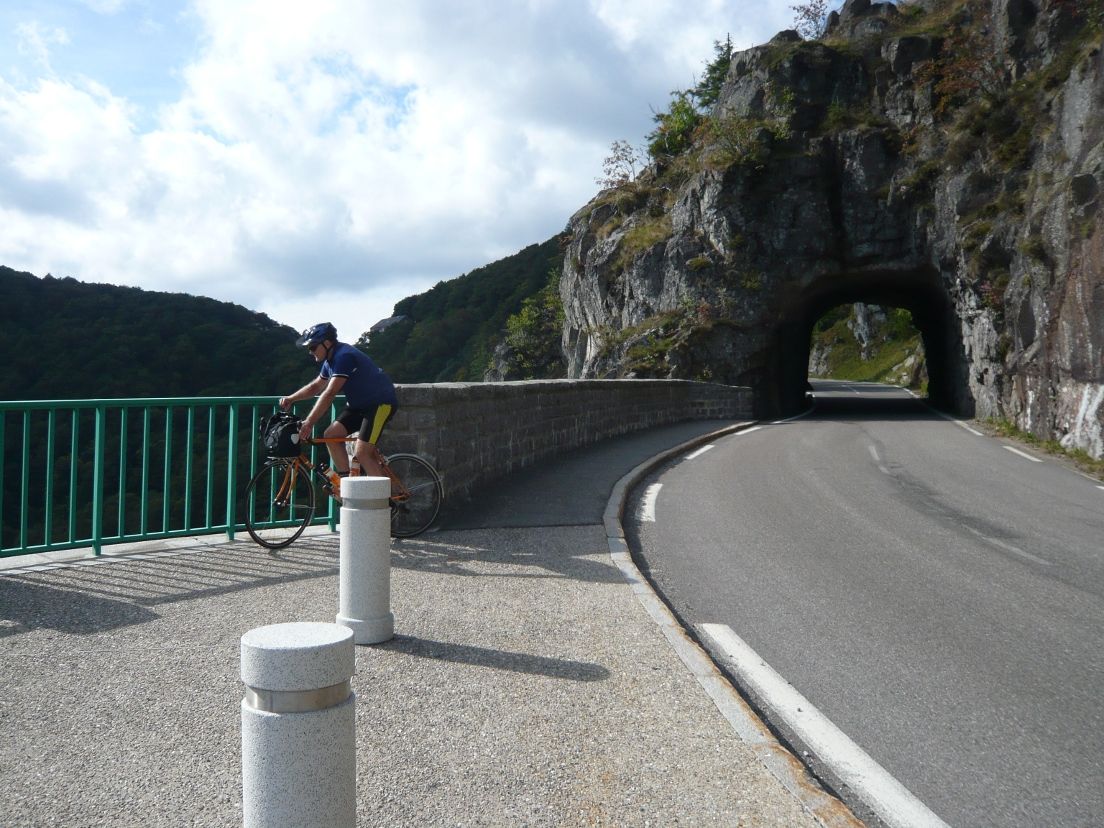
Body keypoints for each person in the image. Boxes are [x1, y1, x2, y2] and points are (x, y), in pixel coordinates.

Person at [279, 322, 398, 483]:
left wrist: (309, 423)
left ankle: (384, 502)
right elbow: (316, 386)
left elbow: (329, 393)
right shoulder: (329, 360)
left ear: (327, 343)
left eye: (313, 347)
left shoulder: (344, 357)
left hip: (380, 404)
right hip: (359, 405)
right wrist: (291, 398)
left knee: (363, 453)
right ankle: (348, 483)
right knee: (331, 436)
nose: (310, 351)